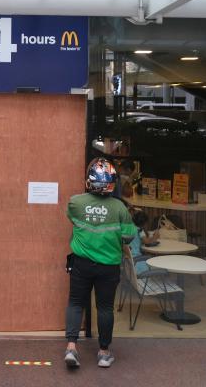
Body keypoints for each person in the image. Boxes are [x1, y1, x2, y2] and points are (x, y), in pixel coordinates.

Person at [64, 158, 137, 369]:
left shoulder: (76, 202)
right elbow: (130, 236)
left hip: (81, 264)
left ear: (89, 179)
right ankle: (104, 353)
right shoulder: (120, 208)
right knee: (105, 308)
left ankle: (71, 348)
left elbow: (72, 219)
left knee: (76, 303)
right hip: (108, 267)